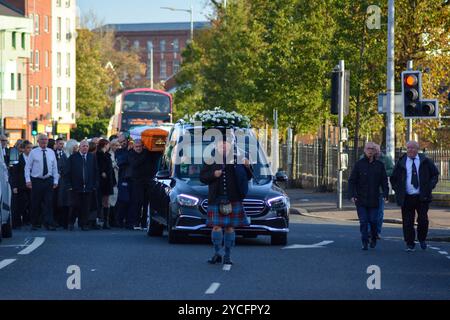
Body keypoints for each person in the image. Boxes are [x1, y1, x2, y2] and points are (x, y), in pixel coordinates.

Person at [200, 134, 252, 265]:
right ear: (216, 146)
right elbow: (202, 177)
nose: (223, 146)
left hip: (233, 199)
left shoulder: (238, 159)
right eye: (220, 144)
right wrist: (213, 174)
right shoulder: (210, 159)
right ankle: (217, 253)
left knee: (230, 228)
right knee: (216, 227)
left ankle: (228, 256)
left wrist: (247, 166)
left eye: (225, 143)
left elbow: (248, 177)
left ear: (230, 145)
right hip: (216, 199)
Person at [390, 141, 440, 252]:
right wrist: (398, 190)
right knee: (407, 222)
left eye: (413, 148)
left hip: (422, 196)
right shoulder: (401, 162)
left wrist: (429, 187)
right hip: (407, 197)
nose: (411, 150)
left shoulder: (425, 161)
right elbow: (394, 178)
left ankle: (422, 238)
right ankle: (410, 243)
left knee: (423, 220)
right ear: (406, 149)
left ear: (417, 149)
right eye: (408, 148)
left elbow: (435, 174)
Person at [348, 142, 389, 250]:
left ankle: (374, 237)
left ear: (375, 151)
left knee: (373, 221)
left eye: (372, 149)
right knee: (363, 221)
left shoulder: (380, 165)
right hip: (361, 198)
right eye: (368, 148)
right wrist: (352, 195)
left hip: (374, 199)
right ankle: (364, 241)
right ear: (364, 150)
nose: (370, 150)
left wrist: (385, 194)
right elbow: (352, 181)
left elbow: (384, 181)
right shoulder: (359, 164)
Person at [25, 134, 59, 231]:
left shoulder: (51, 152)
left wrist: (55, 180)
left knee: (49, 202)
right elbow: (27, 167)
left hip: (48, 180)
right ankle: (35, 223)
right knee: (35, 202)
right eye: (42, 139)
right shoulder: (33, 152)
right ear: (38, 141)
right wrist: (28, 180)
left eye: (46, 139)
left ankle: (48, 223)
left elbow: (55, 167)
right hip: (36, 180)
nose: (44, 141)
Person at [65, 140, 99, 231]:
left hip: (88, 187)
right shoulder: (73, 157)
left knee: (86, 207)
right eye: (83, 146)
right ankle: (71, 223)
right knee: (74, 206)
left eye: (87, 146)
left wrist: (95, 184)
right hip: (75, 187)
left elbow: (95, 171)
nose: (85, 148)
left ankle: (83, 224)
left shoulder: (92, 157)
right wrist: (69, 185)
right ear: (79, 147)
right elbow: (67, 172)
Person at [127, 139, 155, 229]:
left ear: (142, 146)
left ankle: (144, 223)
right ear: (133, 146)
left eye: (140, 146)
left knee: (146, 203)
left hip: (147, 181)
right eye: (136, 146)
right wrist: (145, 153)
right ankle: (135, 222)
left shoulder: (147, 153)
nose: (138, 148)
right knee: (137, 202)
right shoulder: (131, 153)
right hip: (136, 181)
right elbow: (135, 164)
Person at [372, 144, 394, 239]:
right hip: (367, 190)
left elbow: (392, 170)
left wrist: (382, 174)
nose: (375, 152)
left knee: (379, 212)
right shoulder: (365, 158)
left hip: (380, 190)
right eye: (373, 150)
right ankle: (369, 231)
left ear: (379, 150)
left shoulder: (386, 158)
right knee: (369, 212)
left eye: (376, 150)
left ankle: (377, 232)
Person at [10, 140, 33, 228]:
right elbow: (14, 173)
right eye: (28, 148)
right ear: (23, 149)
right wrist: (14, 186)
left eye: (31, 148)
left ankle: (28, 220)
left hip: (31, 184)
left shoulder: (33, 158)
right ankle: (19, 221)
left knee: (30, 203)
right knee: (21, 203)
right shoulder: (18, 158)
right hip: (21, 184)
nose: (30, 150)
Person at [96, 139, 116, 229]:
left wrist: (113, 181)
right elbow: (99, 167)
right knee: (101, 201)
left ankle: (105, 222)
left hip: (108, 181)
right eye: (108, 145)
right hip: (101, 181)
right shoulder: (98, 155)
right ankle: (99, 220)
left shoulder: (108, 155)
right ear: (105, 145)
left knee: (106, 201)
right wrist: (102, 172)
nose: (109, 147)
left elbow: (110, 169)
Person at [115, 135, 131, 228]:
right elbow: (121, 161)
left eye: (124, 141)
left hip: (132, 178)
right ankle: (119, 220)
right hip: (123, 178)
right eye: (121, 142)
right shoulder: (119, 151)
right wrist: (128, 152)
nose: (123, 143)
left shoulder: (132, 150)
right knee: (123, 200)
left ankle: (128, 221)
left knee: (131, 200)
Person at [54, 138, 70, 229]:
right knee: (54, 201)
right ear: (56, 144)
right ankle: (55, 220)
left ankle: (62, 221)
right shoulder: (52, 153)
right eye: (60, 144)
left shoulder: (64, 155)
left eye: (62, 144)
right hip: (54, 181)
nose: (61, 145)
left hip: (62, 181)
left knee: (62, 201)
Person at [109, 139, 120, 227]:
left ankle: (115, 219)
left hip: (119, 179)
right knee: (112, 199)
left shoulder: (120, 153)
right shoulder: (109, 155)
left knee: (117, 199)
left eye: (117, 145)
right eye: (114, 145)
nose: (116, 147)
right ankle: (111, 220)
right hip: (112, 180)